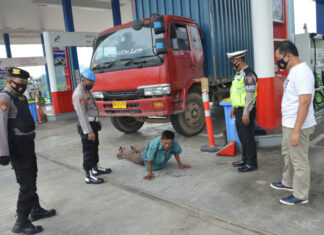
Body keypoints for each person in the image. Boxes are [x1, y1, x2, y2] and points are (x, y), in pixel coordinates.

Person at [0, 67, 56, 234]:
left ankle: (36, 210)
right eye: (20, 82)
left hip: (27, 147)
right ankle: (21, 222)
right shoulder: (4, 97)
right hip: (17, 149)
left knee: (32, 177)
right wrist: (3, 152)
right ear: (9, 82)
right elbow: (1, 126)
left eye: (25, 82)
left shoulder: (20, 97)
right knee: (27, 185)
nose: (23, 85)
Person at [271, 40, 316, 205]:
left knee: (299, 160)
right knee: (288, 155)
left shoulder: (302, 72)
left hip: (299, 126)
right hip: (290, 123)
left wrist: (296, 130)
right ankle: (287, 182)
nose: (278, 62)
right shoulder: (293, 71)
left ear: (288, 55)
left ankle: (300, 195)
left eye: (279, 58)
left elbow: (304, 102)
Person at [72, 69, 111, 184]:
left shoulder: (86, 91)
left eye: (92, 83)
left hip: (92, 123)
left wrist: (97, 120)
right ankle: (88, 176)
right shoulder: (78, 94)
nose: (91, 85)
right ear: (83, 80)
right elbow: (82, 115)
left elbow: (92, 107)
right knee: (88, 151)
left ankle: (96, 168)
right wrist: (89, 131)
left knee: (95, 147)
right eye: (90, 83)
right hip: (86, 126)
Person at [227, 50, 258, 172]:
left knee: (248, 137)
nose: (232, 63)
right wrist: (233, 107)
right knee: (242, 137)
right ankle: (245, 160)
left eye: (233, 61)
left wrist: (246, 113)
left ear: (239, 60)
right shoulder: (239, 74)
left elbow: (250, 95)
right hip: (239, 110)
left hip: (246, 110)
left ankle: (251, 163)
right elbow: (238, 93)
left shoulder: (249, 74)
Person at [116, 130, 191, 180]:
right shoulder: (154, 145)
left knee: (146, 150)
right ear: (161, 140)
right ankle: (123, 150)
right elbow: (149, 158)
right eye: (165, 143)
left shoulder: (174, 142)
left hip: (150, 151)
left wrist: (180, 165)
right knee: (135, 157)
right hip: (145, 157)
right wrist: (150, 172)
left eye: (170, 143)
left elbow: (176, 152)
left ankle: (134, 146)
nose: (168, 146)